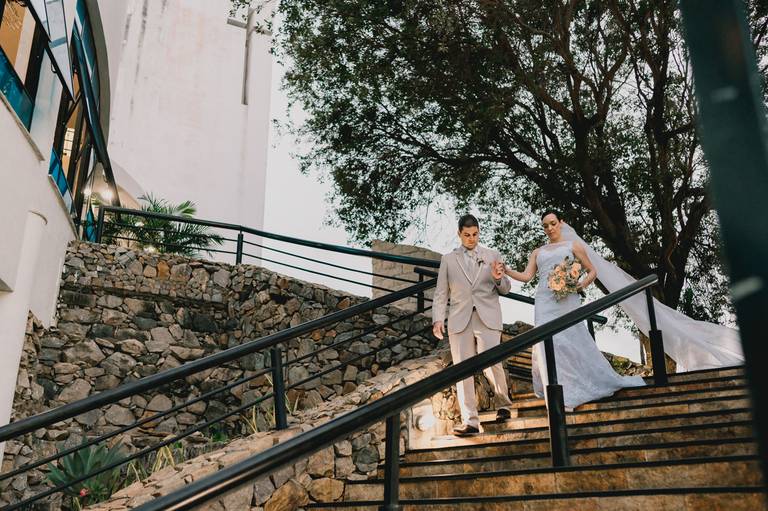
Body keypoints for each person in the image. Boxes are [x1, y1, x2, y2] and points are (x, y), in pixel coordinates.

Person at [505, 210, 645, 409]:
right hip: (544, 301)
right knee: (547, 344)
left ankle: (574, 388)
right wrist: (507, 271)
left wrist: (579, 286)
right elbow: (527, 276)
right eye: (545, 225)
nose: (550, 228)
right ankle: (556, 389)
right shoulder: (538, 252)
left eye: (553, 223)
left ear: (561, 223)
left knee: (570, 340)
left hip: (566, 300)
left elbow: (592, 271)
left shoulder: (574, 246)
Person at [432, 214, 514, 436]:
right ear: (459, 234)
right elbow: (441, 293)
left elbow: (506, 288)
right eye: (467, 235)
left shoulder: (492, 255)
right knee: (462, 370)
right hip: (459, 320)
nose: (471, 238)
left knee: (493, 362)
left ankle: (503, 405)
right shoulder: (448, 259)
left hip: (488, 316)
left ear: (479, 232)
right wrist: (438, 319)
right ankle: (470, 421)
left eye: (475, 234)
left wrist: (498, 278)